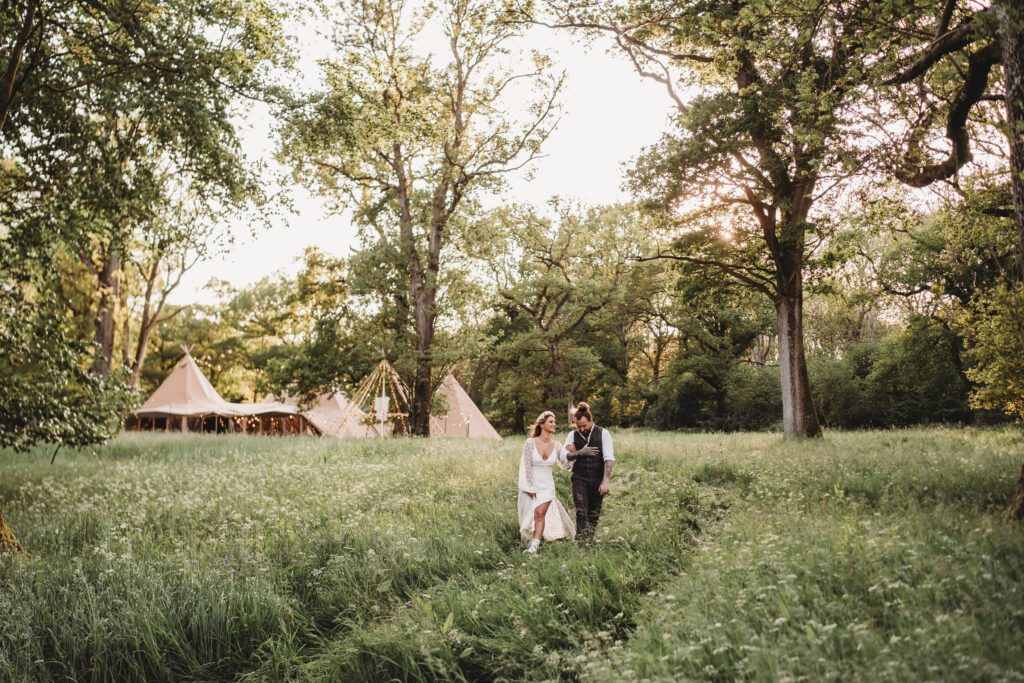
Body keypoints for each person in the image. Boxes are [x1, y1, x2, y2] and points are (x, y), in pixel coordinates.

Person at [518, 411, 575, 554]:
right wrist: (530, 488)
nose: (554, 424)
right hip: (530, 484)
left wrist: (573, 454)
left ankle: (533, 548)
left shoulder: (557, 445)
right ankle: (535, 541)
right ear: (542, 424)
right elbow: (526, 466)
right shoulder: (530, 443)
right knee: (529, 517)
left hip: (547, 486)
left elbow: (565, 464)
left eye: (554, 421)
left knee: (539, 513)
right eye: (551, 421)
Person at [561, 402, 614, 542]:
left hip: (597, 480)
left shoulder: (604, 434)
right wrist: (580, 452)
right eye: (579, 426)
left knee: (594, 513)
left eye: (585, 425)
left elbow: (608, 459)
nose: (582, 429)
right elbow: (564, 456)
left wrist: (605, 481)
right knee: (581, 511)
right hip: (579, 478)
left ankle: (589, 540)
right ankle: (581, 543)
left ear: (591, 420)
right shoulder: (572, 435)